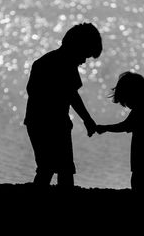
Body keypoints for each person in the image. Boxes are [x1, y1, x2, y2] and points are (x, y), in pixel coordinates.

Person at [24, 23, 103, 187]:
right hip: (54, 123)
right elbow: (73, 96)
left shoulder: (43, 62)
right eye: (85, 55)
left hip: (37, 122)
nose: (83, 61)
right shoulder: (66, 65)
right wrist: (87, 120)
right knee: (63, 169)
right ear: (77, 47)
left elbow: (32, 91)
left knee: (46, 167)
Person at [96, 71, 144, 193]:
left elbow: (124, 126)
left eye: (125, 100)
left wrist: (104, 128)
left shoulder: (141, 110)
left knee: (139, 184)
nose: (126, 104)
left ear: (132, 95)